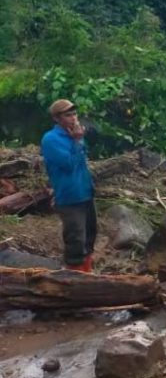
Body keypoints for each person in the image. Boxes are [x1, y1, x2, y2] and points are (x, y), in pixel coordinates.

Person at [41, 99, 97, 272]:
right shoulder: (51, 139)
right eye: (68, 115)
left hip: (85, 192)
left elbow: (82, 161)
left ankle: (88, 278)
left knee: (89, 237)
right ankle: (74, 282)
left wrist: (78, 141)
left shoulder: (73, 135)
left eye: (74, 114)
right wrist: (77, 141)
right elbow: (68, 164)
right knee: (76, 240)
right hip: (70, 197)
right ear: (57, 119)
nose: (73, 118)